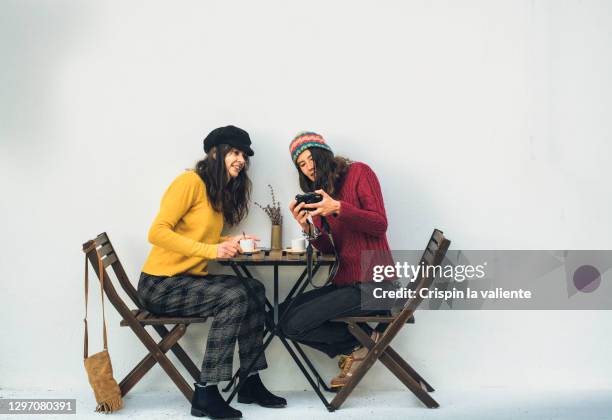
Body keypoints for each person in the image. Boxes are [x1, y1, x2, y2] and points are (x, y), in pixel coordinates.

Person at [137, 126, 286, 419]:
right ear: (216, 153)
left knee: (253, 290)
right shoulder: (189, 182)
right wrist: (213, 251)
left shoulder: (215, 193)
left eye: (244, 155)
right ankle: (205, 392)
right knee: (233, 297)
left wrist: (226, 242)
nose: (241, 159)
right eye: (235, 152)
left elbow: (197, 237)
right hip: (160, 285)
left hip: (185, 281)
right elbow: (157, 232)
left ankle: (249, 381)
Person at [281, 131, 397, 389]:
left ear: (325, 155)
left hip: (376, 285)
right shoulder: (320, 194)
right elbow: (327, 249)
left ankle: (363, 343)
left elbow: (379, 224)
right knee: (280, 317)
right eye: (301, 164)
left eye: (311, 158)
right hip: (347, 284)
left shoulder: (359, 173)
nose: (308, 167)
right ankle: (364, 341)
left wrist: (338, 208)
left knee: (293, 322)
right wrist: (307, 226)